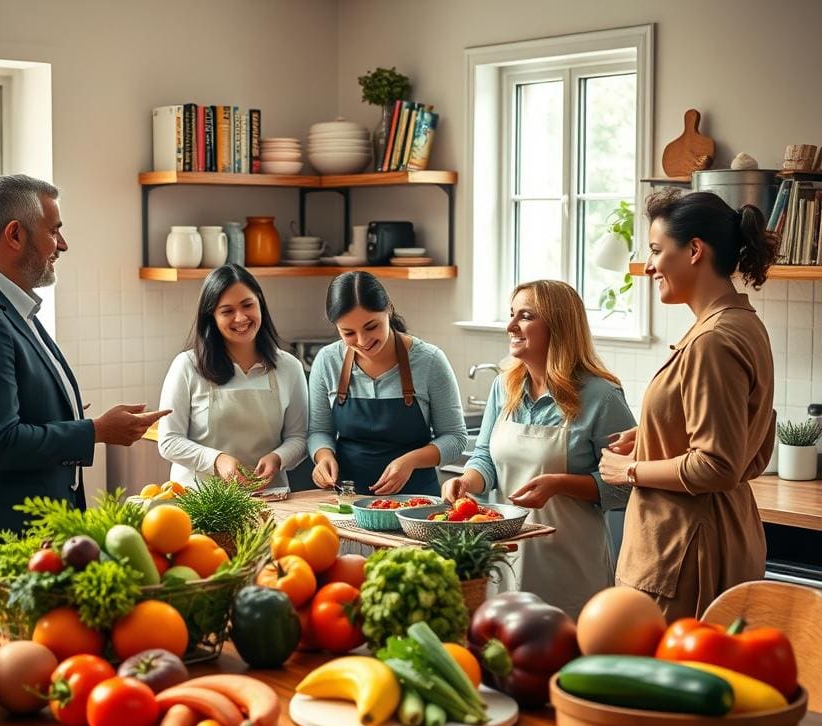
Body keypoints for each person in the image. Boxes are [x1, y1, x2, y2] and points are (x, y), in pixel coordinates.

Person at [0, 174, 168, 595]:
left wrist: (65, 413)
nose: (63, 244)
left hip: (25, 537)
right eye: (54, 230)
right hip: (3, 541)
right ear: (15, 235)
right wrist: (96, 431)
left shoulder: (5, 304)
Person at [599, 189, 778, 621]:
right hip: (713, 539)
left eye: (656, 250)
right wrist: (654, 432)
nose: (649, 266)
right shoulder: (741, 324)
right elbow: (747, 437)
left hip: (685, 554)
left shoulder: (712, 341)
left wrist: (630, 470)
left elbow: (717, 465)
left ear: (695, 250)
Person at [442, 280, 636, 619]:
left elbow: (625, 486)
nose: (511, 326)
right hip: (506, 557)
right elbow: (485, 457)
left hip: (570, 564)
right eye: (512, 314)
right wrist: (467, 481)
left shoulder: (601, 396)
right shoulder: (504, 387)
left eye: (526, 316)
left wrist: (559, 484)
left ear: (558, 327)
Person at [308, 271, 466, 496]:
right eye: (348, 332)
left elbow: (455, 438)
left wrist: (410, 461)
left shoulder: (429, 361)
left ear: (388, 309)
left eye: (371, 326)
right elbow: (319, 431)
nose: (362, 341)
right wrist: (323, 457)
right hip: (347, 501)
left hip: (416, 502)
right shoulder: (327, 361)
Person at [158, 264, 308, 489]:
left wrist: (278, 458)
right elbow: (169, 442)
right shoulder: (187, 366)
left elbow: (299, 438)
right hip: (198, 498)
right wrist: (217, 460)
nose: (240, 318)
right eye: (227, 311)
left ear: (260, 303)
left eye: (248, 305)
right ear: (212, 316)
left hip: (268, 497)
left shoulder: (289, 367)